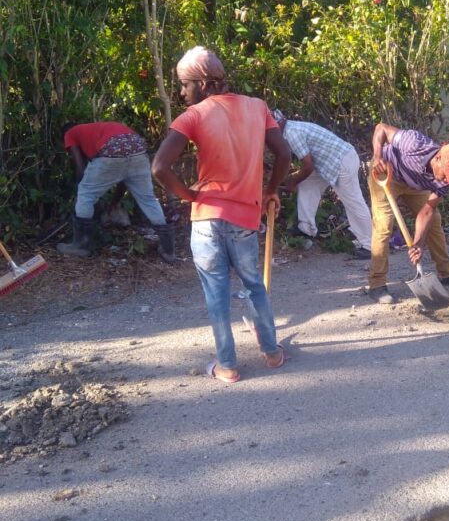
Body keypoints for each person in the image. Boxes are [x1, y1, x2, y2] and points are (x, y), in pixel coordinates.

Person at [152, 46, 291, 383]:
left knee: (216, 294)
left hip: (206, 220)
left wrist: (190, 196)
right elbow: (284, 154)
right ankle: (272, 352)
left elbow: (159, 167)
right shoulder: (257, 107)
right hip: (244, 218)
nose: (182, 92)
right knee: (254, 285)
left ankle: (227, 366)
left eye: (184, 84)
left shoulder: (193, 116)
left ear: (202, 83)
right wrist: (271, 190)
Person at [367, 122, 449, 304]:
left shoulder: (446, 180)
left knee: (434, 221)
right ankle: (377, 284)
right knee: (384, 224)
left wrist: (418, 244)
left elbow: (427, 211)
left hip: (416, 185)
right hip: (386, 174)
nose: (446, 180)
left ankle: (447, 273)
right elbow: (381, 128)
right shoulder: (414, 144)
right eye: (445, 175)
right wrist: (377, 156)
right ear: (438, 158)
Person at [57, 121, 174, 261]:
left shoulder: (70, 133)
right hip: (138, 151)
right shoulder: (101, 128)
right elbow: (124, 179)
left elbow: (79, 168)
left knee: (85, 193)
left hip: (111, 151)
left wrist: (84, 195)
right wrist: (114, 202)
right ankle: (168, 249)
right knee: (148, 199)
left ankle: (80, 246)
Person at [272, 110, 373, 259]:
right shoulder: (291, 129)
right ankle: (306, 228)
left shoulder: (292, 133)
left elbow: (307, 166)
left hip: (342, 162)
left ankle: (370, 246)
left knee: (353, 203)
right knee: (307, 183)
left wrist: (292, 183)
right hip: (329, 163)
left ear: (278, 125)